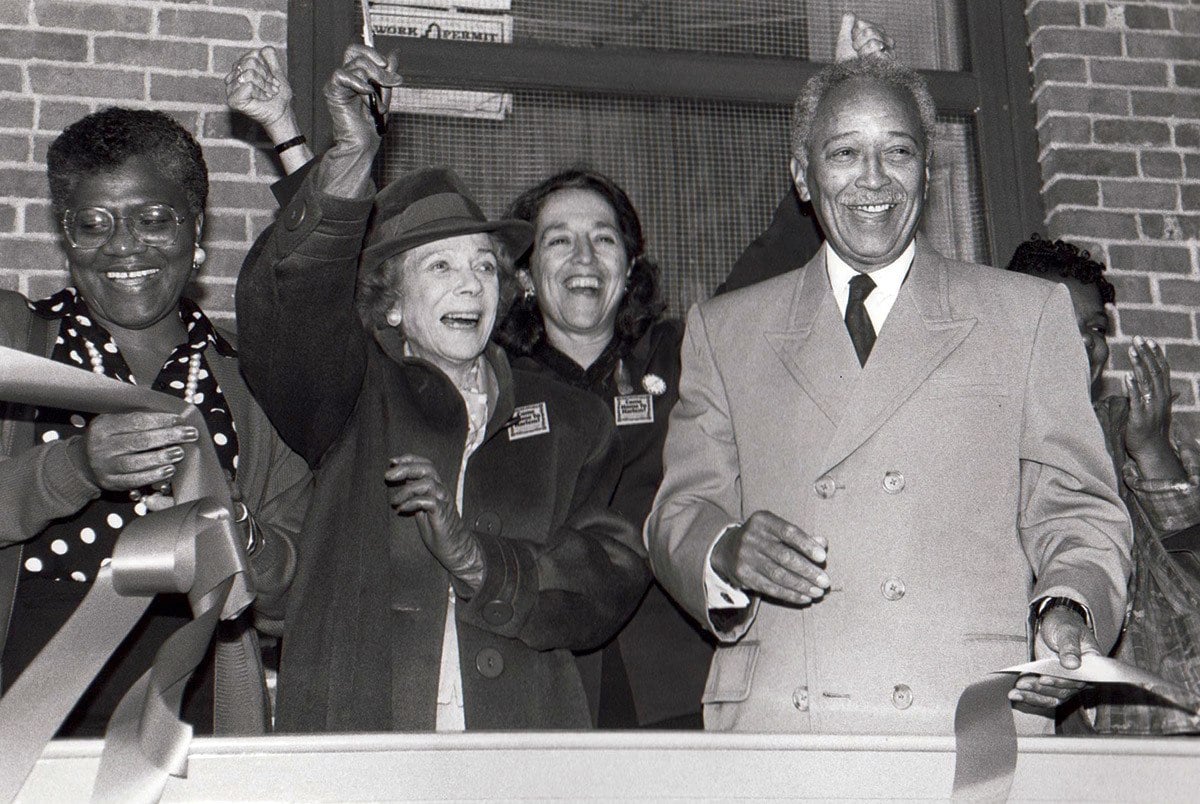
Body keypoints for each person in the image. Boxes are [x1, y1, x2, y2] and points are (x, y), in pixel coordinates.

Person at [644, 51, 1132, 735]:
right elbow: (680, 511)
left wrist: (1070, 605)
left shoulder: (1026, 316)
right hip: (787, 729)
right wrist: (723, 550)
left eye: (897, 152)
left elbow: (1078, 513)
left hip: (964, 718)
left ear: (927, 172)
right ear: (803, 177)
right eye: (844, 152)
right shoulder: (726, 329)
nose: (873, 178)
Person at [235, 45, 649, 733]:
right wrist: (349, 155)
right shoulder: (350, 395)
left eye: (485, 266)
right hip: (361, 749)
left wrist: (482, 562)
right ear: (390, 304)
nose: (470, 283)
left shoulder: (573, 420)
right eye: (441, 265)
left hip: (517, 757)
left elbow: (610, 574)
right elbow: (291, 307)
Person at [0, 108, 309, 735]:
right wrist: (73, 468)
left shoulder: (251, 376)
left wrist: (237, 530)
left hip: (196, 709)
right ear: (65, 234)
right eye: (94, 223)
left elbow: (292, 597)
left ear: (196, 228)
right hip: (23, 708)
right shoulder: (16, 344)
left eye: (154, 219)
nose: (123, 244)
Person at [495, 169, 714, 729]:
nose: (584, 257)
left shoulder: (686, 357)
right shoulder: (495, 386)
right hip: (544, 690)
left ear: (630, 265)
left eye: (604, 237)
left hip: (679, 687)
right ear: (524, 273)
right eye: (559, 239)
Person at [1007, 235, 1200, 735]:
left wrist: (1153, 452)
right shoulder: (982, 444)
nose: (1087, 344)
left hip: (1160, 728)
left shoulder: (1126, 429)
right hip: (1033, 732)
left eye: (1094, 328)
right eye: (1058, 327)